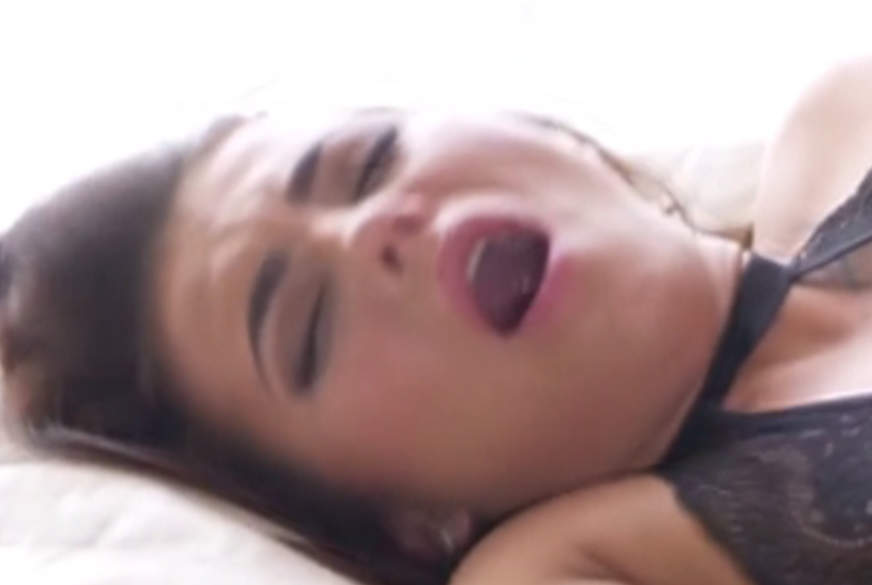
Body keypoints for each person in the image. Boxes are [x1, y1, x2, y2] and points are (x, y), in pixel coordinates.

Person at [2, 57, 872, 585]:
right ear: (410, 518)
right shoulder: (563, 561)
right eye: (310, 329)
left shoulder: (840, 119)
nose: (371, 232)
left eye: (367, 163)